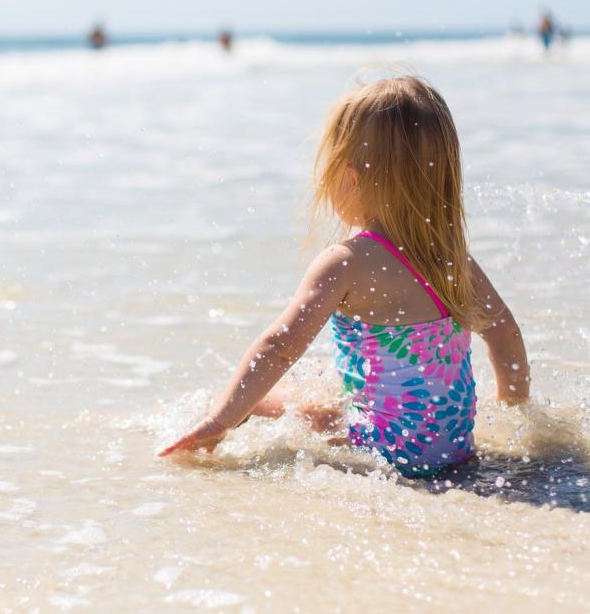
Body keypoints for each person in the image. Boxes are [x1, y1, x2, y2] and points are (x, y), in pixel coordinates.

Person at [159, 76, 531, 477]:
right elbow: (504, 333)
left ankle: (205, 424)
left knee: (258, 400)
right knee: (323, 375)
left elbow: (279, 347)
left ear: (350, 178)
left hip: (384, 453)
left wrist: (221, 420)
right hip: (453, 452)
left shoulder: (346, 262)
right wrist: (513, 411)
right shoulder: (454, 260)